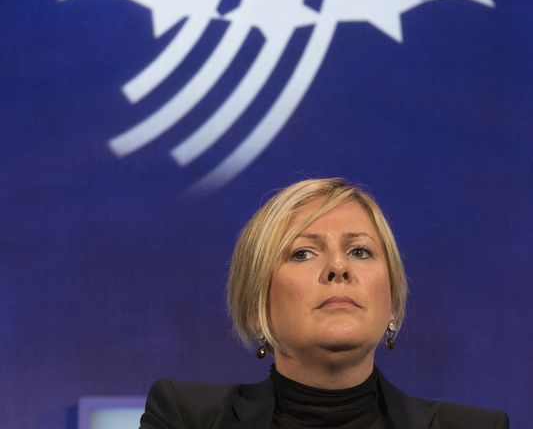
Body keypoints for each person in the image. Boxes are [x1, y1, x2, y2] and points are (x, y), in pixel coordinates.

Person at [139, 177, 509, 428]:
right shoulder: (187, 417)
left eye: (360, 251)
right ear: (255, 309)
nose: (338, 266)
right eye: (302, 253)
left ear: (393, 303)